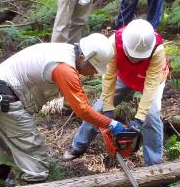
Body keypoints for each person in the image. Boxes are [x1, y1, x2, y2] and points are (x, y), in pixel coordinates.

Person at [0, 33, 125, 183]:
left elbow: (79, 102)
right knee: (37, 163)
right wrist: (112, 124)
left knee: (8, 150)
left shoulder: (67, 54)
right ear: (84, 58)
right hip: (5, 99)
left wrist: (101, 123)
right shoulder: (64, 68)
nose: (94, 74)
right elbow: (82, 109)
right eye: (94, 68)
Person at [64, 19, 168, 166]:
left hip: (151, 80)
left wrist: (139, 119)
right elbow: (109, 75)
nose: (135, 59)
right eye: (132, 56)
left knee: (151, 116)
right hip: (123, 76)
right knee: (98, 109)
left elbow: (151, 85)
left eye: (139, 57)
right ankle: (78, 146)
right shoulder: (114, 42)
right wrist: (108, 108)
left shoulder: (157, 49)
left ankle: (154, 164)